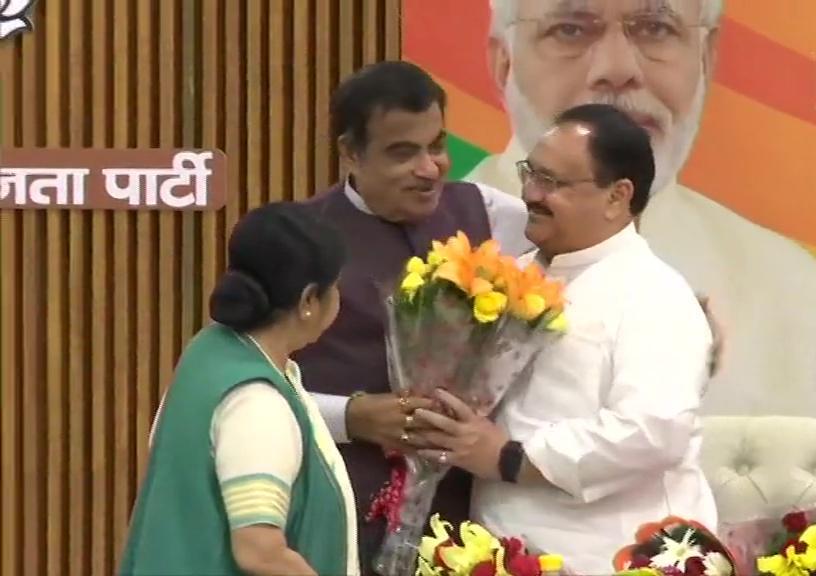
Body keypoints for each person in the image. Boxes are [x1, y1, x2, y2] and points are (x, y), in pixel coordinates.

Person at [466, 0, 816, 415]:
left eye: (656, 28)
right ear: (504, 63)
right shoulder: (427, 253)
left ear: (705, 58)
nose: (617, 69)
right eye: (570, 30)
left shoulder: (794, 292)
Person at [415, 104, 717, 573]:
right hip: (494, 547)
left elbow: (652, 431)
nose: (531, 193)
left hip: (610, 555)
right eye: (531, 173)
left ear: (617, 196)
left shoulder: (655, 294)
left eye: (552, 182)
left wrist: (510, 458)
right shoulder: (504, 277)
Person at [294, 60, 533, 573]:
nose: (429, 168)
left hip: (466, 529)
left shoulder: (494, 215)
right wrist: (352, 417)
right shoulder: (297, 240)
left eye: (437, 146)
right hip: (336, 515)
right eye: (403, 153)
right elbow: (245, 393)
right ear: (350, 153)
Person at [119, 203, 359, 576]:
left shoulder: (209, 350)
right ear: (309, 301)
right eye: (335, 287)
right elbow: (260, 552)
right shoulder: (255, 402)